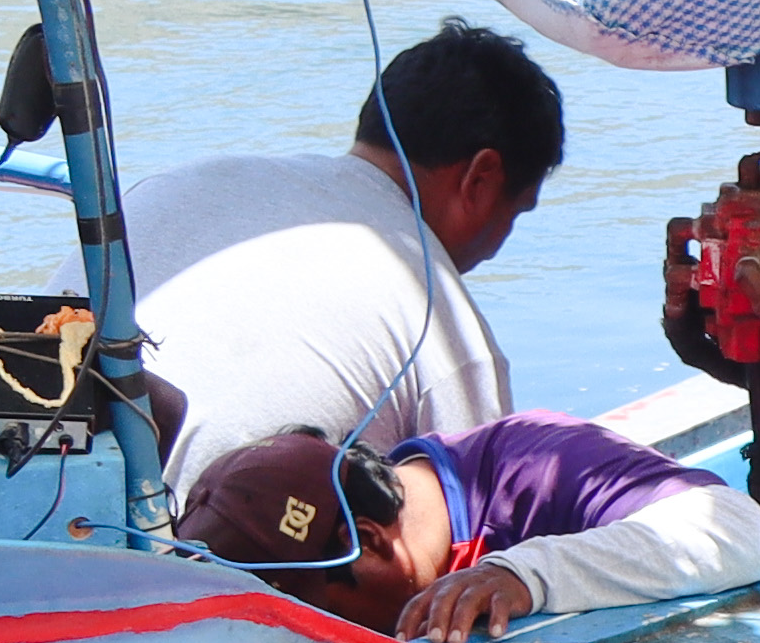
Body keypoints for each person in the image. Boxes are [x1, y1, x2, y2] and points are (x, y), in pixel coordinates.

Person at [133, 25, 556, 489]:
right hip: (187, 551)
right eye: (515, 212)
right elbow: (477, 517)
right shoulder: (447, 327)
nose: (496, 250)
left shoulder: (186, 180)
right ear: (481, 178)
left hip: (52, 495)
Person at [180, 414, 760, 643]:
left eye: (315, 614)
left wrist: (524, 576)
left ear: (367, 538)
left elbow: (740, 530)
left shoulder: (541, 463)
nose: (313, 637)